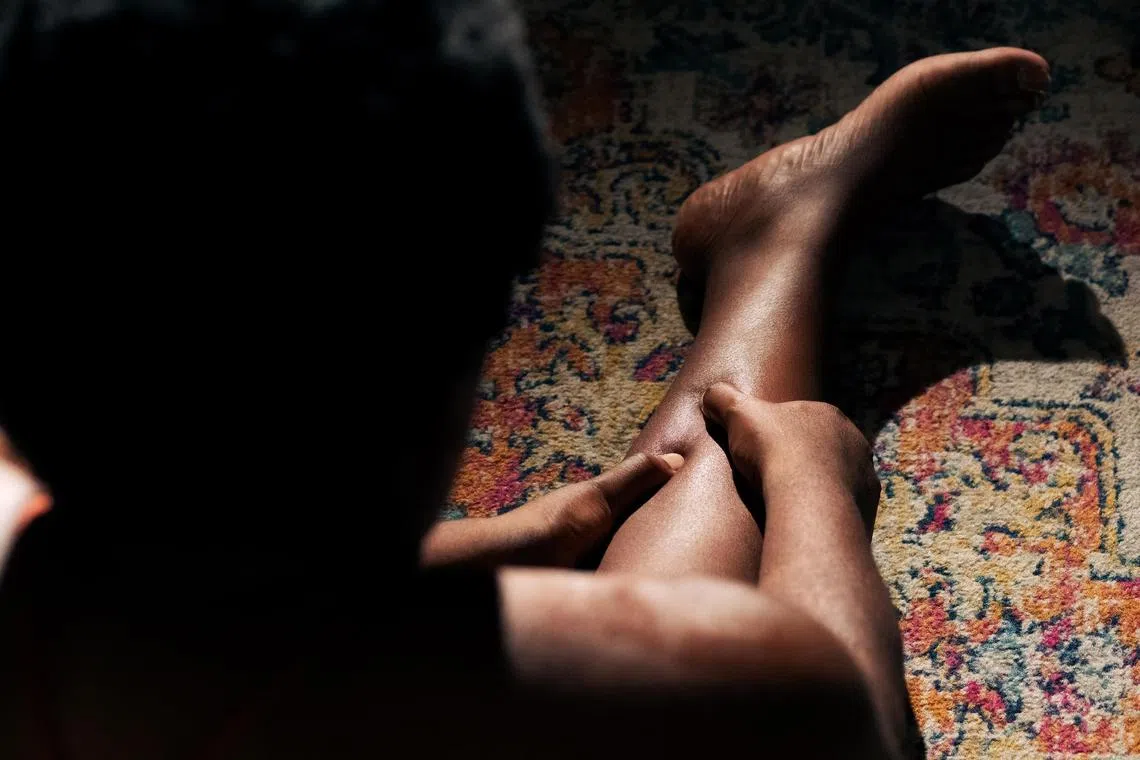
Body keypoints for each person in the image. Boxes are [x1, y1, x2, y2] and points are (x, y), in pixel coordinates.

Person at [0, 0, 1049, 757]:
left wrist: (518, 535)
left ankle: (775, 238)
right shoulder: (721, 685)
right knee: (693, 556)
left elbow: (203, 585)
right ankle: (778, 241)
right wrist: (822, 482)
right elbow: (848, 708)